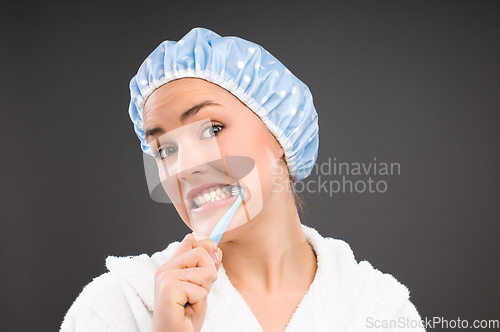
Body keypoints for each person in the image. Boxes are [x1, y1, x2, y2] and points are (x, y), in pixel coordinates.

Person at [60, 27, 424, 332]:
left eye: (211, 129)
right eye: (165, 150)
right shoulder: (114, 309)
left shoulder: (382, 312)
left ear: (280, 137)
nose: (184, 168)